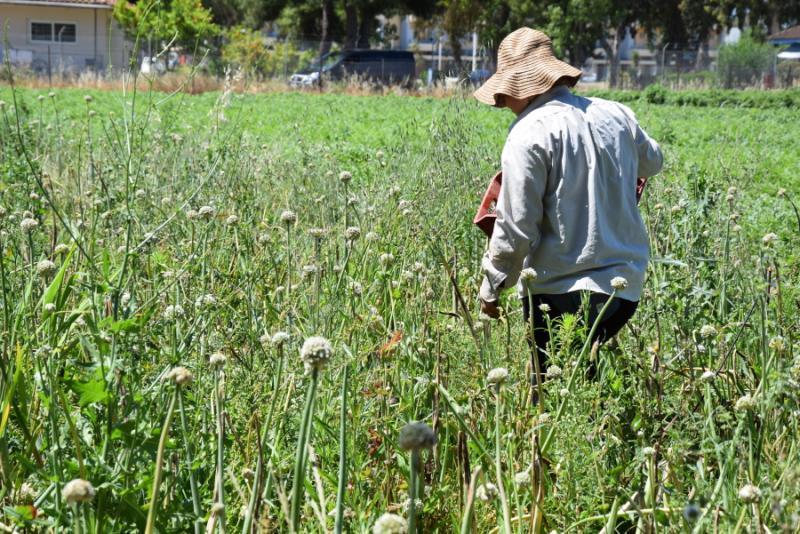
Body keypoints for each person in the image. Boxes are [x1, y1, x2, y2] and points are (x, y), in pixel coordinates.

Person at [474, 28, 663, 379]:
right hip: (622, 291)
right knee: (583, 382)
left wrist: (492, 286)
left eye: (504, 93)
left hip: (557, 290)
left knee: (550, 390)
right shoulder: (616, 113)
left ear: (522, 86)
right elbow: (652, 162)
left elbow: (516, 227)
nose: (502, 102)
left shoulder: (528, 133)